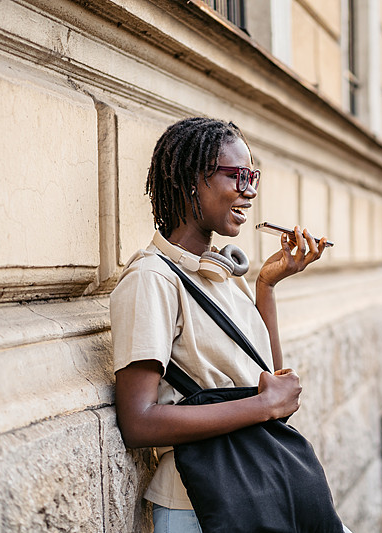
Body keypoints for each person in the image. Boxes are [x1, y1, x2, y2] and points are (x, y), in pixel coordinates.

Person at [110, 117, 330, 533]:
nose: (249, 191)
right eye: (237, 176)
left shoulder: (224, 277)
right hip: (199, 505)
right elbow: (138, 422)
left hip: (252, 487)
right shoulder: (152, 280)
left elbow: (266, 383)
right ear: (193, 181)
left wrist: (266, 285)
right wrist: (264, 405)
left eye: (253, 177)